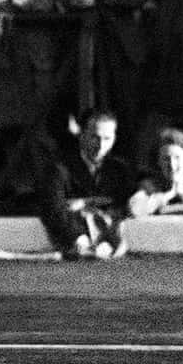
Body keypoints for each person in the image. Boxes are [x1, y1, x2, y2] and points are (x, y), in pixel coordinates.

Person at [32, 108, 139, 259]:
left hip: (110, 245)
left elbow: (124, 204)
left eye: (107, 138)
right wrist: (79, 237)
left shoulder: (121, 169)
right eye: (95, 137)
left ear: (115, 138)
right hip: (74, 245)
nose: (101, 145)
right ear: (81, 135)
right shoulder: (58, 168)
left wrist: (84, 203)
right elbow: (54, 208)